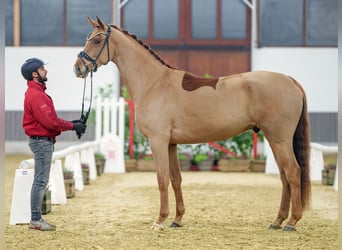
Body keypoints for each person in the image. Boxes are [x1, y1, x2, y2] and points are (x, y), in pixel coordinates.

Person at [21, 58, 86, 231]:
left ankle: (36, 218)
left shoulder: (38, 93)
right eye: (42, 69)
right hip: (41, 142)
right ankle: (35, 219)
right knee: (40, 181)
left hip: (43, 141)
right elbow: (51, 122)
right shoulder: (35, 95)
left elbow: (50, 121)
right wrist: (73, 126)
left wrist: (72, 123)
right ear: (35, 74)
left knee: (41, 180)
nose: (46, 71)